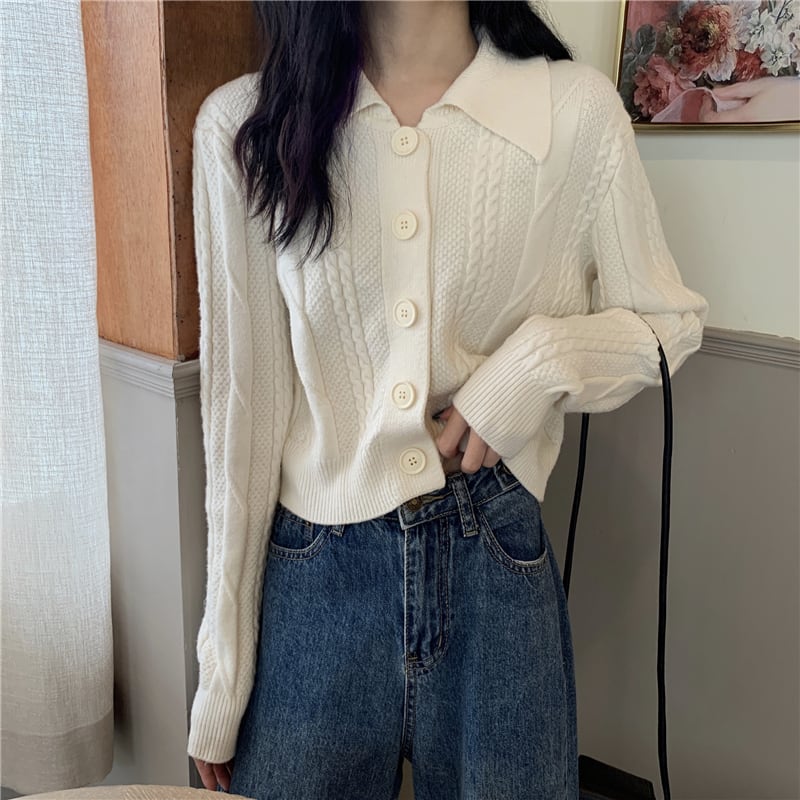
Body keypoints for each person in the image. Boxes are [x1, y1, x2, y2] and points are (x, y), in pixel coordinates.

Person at [187, 1, 709, 798]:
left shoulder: (572, 112)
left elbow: (670, 324)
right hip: (313, 585)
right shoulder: (246, 124)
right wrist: (223, 673)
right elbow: (242, 423)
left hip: (495, 564)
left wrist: (535, 366)